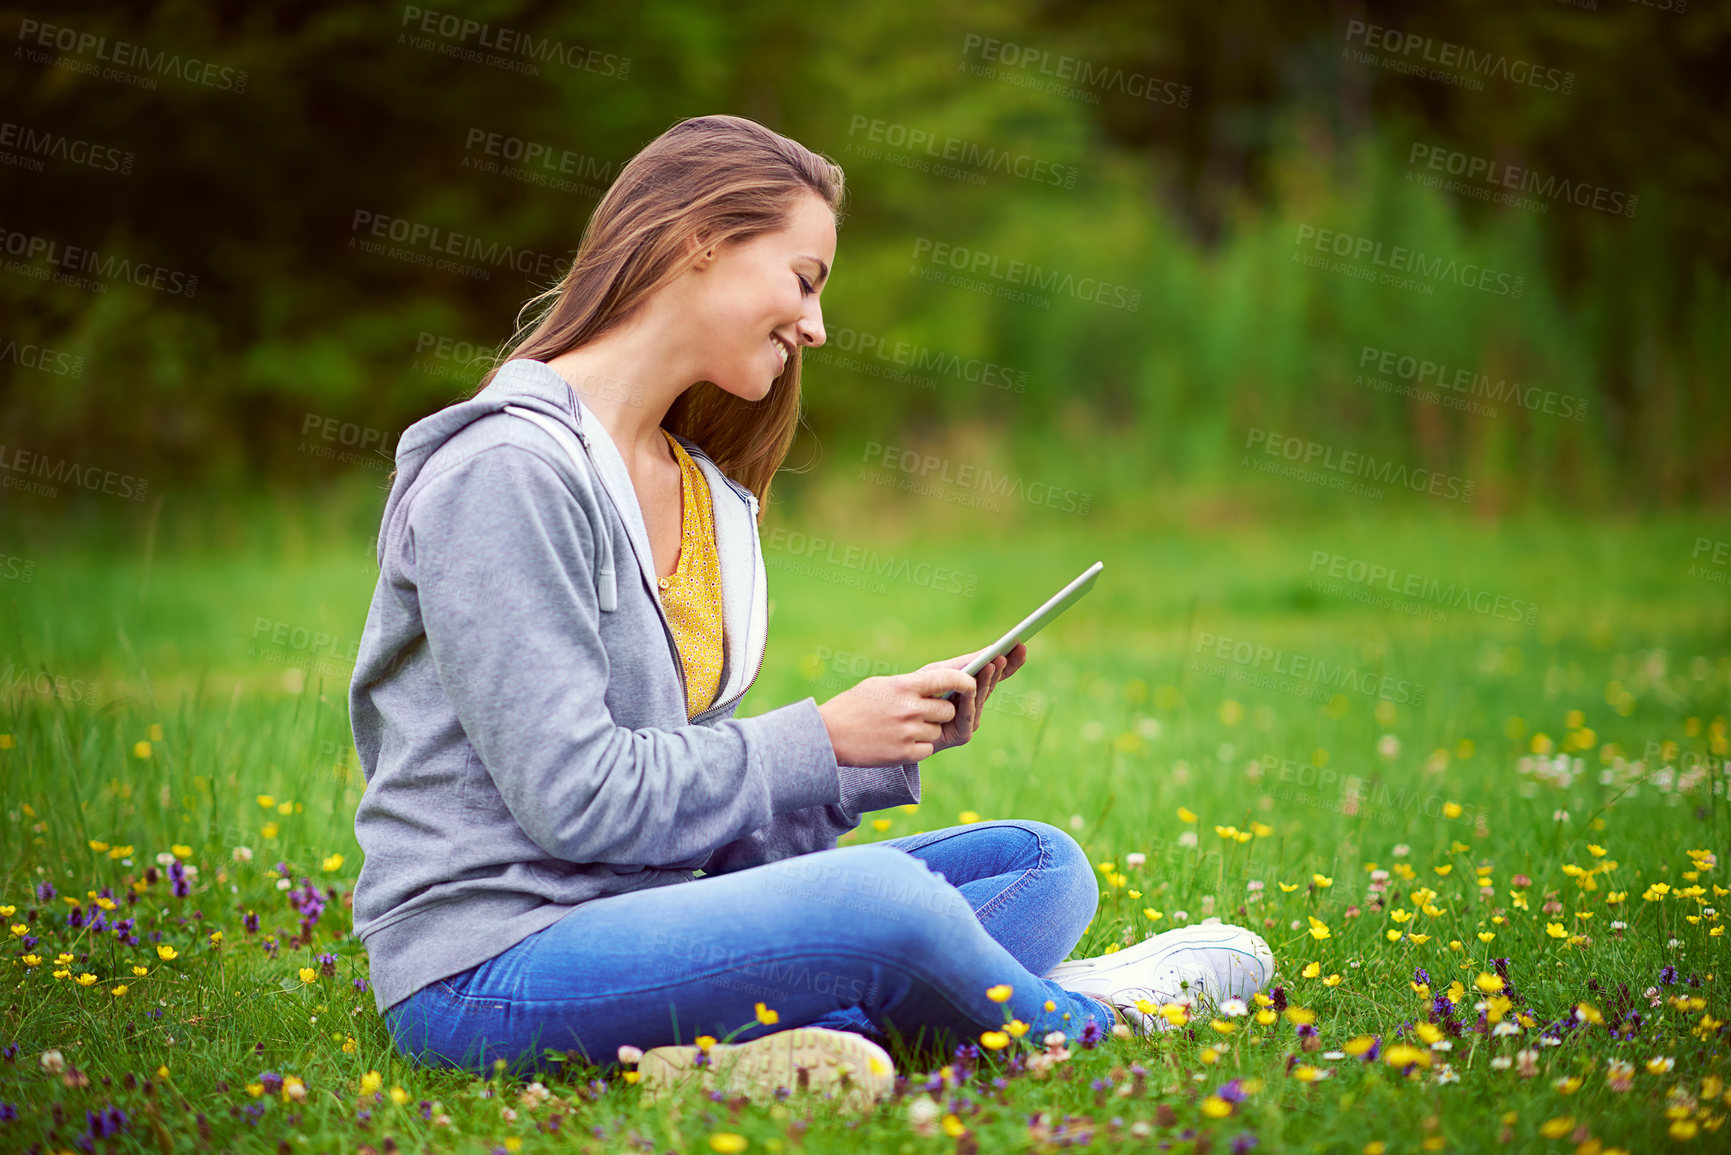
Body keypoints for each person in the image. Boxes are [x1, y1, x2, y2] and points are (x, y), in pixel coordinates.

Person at [348, 112, 1274, 1107]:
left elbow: (677, 832)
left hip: (646, 911)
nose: (818, 326)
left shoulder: (697, 487)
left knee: (1039, 866)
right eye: (805, 279)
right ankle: (1082, 1017)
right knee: (879, 907)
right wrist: (823, 739)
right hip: (493, 965)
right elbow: (580, 803)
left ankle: (732, 1055)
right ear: (698, 239)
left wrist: (866, 759)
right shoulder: (507, 473)